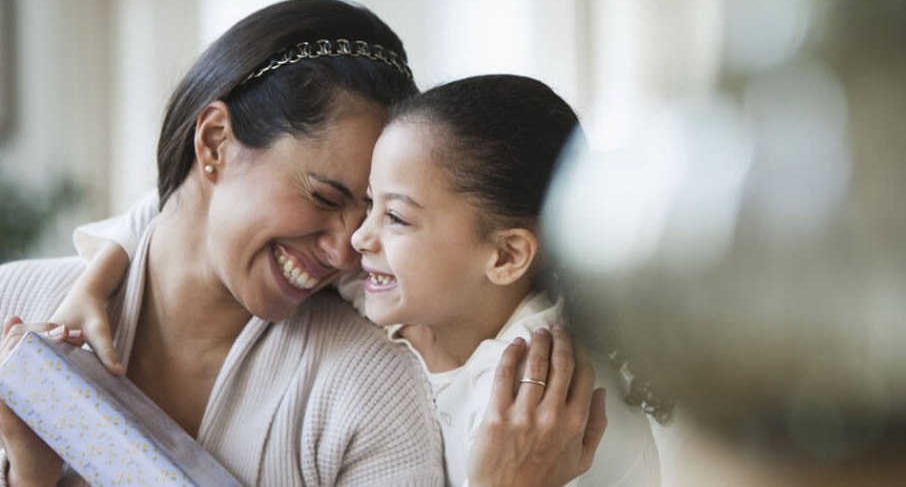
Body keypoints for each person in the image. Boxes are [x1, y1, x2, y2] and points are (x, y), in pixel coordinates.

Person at [0, 0, 603, 486]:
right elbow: (163, 215)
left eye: (379, 211)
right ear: (214, 143)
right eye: (323, 196)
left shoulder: (372, 386)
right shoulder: (14, 303)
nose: (349, 250)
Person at [63, 75, 658, 485]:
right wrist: (97, 277)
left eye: (394, 216)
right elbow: (189, 211)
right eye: (367, 203)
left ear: (505, 257)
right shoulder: (401, 291)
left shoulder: (544, 409)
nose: (356, 238)